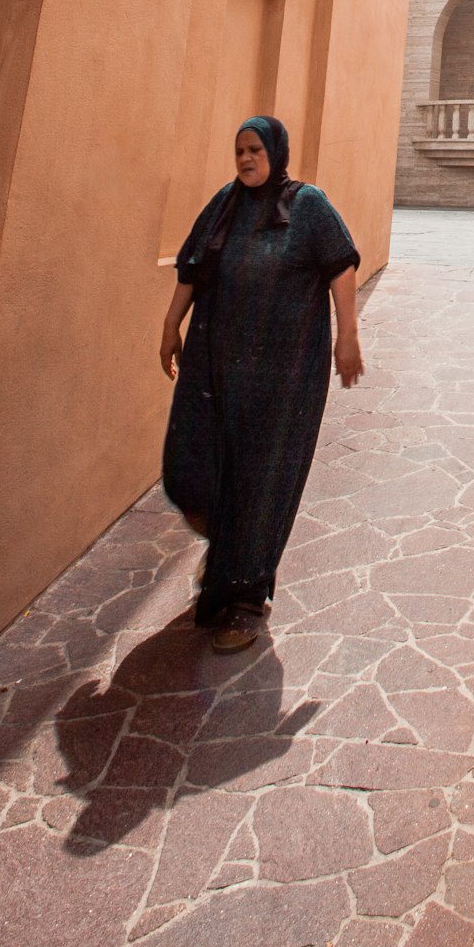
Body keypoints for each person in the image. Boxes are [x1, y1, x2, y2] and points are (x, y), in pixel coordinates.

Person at [159, 116, 364, 652]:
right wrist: (169, 325)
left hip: (283, 374)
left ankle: (243, 601)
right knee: (189, 472)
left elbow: (341, 267)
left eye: (254, 150)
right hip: (216, 365)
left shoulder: (308, 205)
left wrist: (348, 338)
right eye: (239, 151)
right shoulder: (225, 202)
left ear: (276, 152)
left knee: (260, 481)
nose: (246, 159)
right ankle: (226, 545)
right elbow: (192, 267)